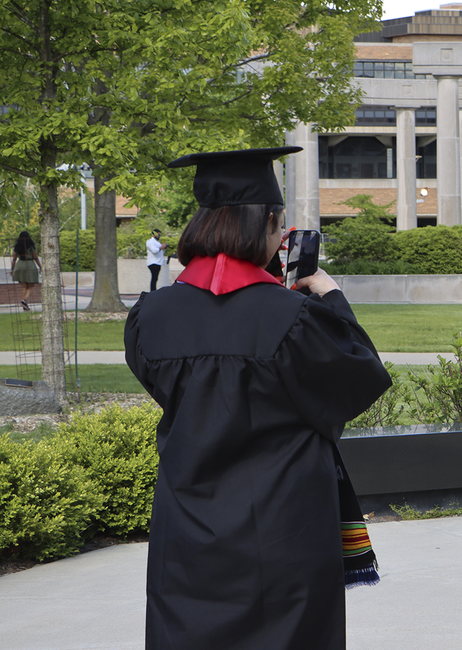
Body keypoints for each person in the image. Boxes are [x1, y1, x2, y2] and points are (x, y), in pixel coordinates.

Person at [125, 147, 392, 650]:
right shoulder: (294, 318)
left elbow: (166, 389)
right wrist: (330, 296)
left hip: (188, 532)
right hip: (286, 529)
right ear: (268, 225)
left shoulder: (150, 317)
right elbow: (359, 379)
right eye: (281, 224)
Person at [10, 230, 41, 311]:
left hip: (20, 265)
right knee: (31, 285)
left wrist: (12, 269)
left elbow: (14, 259)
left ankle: (25, 305)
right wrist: (40, 266)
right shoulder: (31, 246)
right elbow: (35, 257)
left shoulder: (17, 247)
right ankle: (24, 301)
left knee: (24, 286)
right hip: (30, 264)